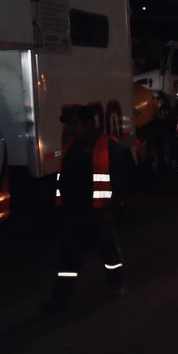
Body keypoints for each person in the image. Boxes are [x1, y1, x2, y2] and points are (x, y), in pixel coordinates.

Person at [41, 104, 131, 311]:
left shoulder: (108, 146)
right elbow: (64, 180)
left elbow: (120, 180)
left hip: (100, 212)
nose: (71, 129)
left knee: (108, 252)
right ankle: (60, 297)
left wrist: (112, 210)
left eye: (75, 124)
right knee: (68, 255)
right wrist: (60, 208)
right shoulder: (72, 146)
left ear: (90, 124)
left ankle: (116, 283)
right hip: (74, 212)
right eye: (70, 125)